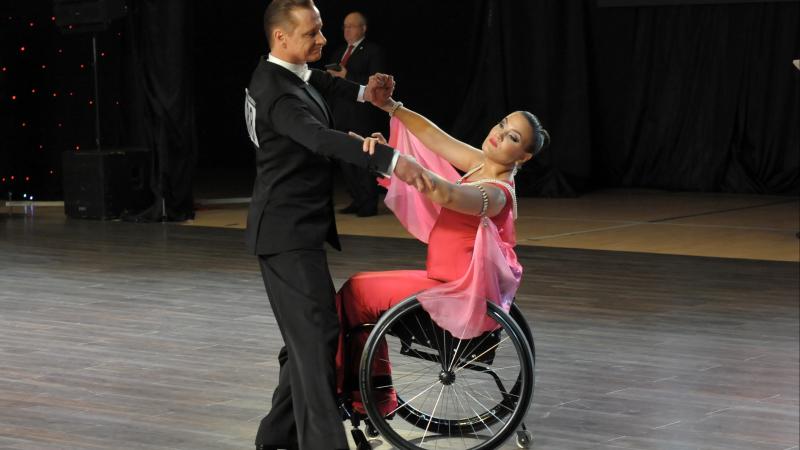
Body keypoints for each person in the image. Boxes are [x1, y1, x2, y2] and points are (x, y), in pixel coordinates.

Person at [244, 2, 426, 449]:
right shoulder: (277, 92)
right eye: (312, 34)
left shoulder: (286, 73)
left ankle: (275, 438)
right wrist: (388, 159)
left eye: (322, 30)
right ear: (281, 37)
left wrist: (368, 94)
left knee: (308, 341)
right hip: (285, 234)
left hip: (293, 229)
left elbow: (322, 81)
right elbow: (317, 137)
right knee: (317, 341)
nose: (323, 40)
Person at [335, 91, 549, 416]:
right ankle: (367, 395)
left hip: (454, 291)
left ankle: (349, 391)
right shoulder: (482, 164)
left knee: (355, 293)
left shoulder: (496, 193)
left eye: (513, 138)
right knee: (358, 289)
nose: (499, 135)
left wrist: (390, 161)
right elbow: (435, 138)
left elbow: (447, 193)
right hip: (440, 280)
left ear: (524, 157)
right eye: (503, 125)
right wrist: (392, 107)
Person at [327, 11, 388, 217]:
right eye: (345, 26)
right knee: (345, 159)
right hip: (341, 113)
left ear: (363, 28)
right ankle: (357, 198)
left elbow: (376, 83)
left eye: (352, 26)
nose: (347, 30)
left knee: (363, 159)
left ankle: (369, 203)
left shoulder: (372, 51)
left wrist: (347, 76)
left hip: (361, 114)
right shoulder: (338, 52)